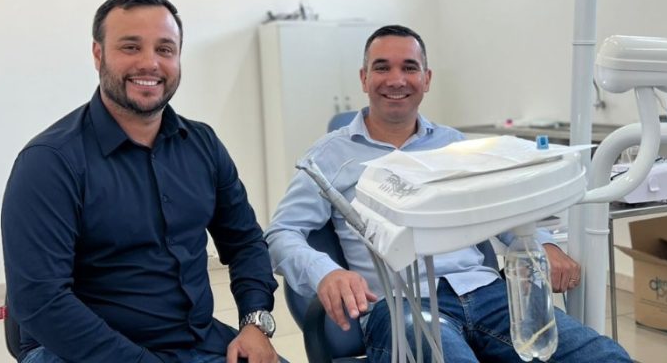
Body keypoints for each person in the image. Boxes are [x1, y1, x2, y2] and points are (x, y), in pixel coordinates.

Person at [265, 24, 631, 362]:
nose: (396, 79)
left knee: (605, 356)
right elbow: (281, 233)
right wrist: (325, 273)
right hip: (402, 304)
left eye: (409, 68)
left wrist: (543, 243)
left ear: (426, 79)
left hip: (489, 294)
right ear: (364, 78)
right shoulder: (328, 158)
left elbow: (499, 209)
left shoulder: (454, 146)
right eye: (382, 67)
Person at [2, 0, 285, 363]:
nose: (150, 63)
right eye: (131, 47)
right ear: (98, 55)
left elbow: (246, 241)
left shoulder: (203, 145)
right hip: (81, 352)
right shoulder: (49, 162)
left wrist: (255, 324)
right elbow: (41, 300)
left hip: (196, 343)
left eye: (165, 49)